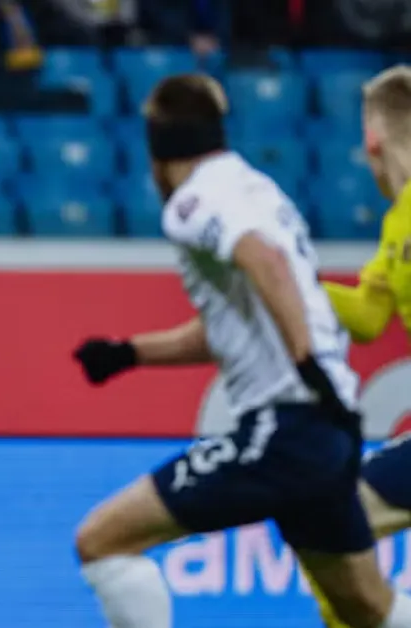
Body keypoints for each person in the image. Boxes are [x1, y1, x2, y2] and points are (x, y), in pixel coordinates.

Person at [70, 73, 411, 628]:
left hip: (286, 430)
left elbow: (265, 262)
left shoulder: (193, 201)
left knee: (102, 541)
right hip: (327, 432)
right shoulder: (259, 192)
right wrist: (127, 353)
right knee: (366, 607)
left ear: (157, 152)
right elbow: (232, 321)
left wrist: (306, 364)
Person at [308, 64, 411, 628]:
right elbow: (369, 318)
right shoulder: (399, 224)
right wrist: (286, 277)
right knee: (327, 527)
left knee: (328, 524)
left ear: (372, 140)